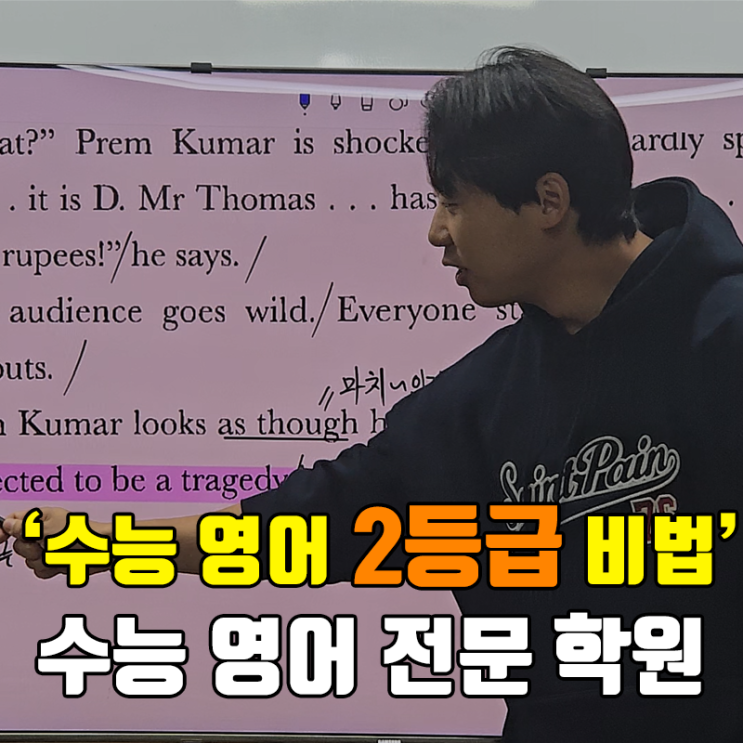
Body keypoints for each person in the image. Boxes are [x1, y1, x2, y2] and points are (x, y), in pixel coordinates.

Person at [3, 47, 742, 742]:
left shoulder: (726, 336)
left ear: (548, 200)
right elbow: (316, 519)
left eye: (453, 201)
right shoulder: (481, 399)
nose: (436, 232)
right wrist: (108, 542)